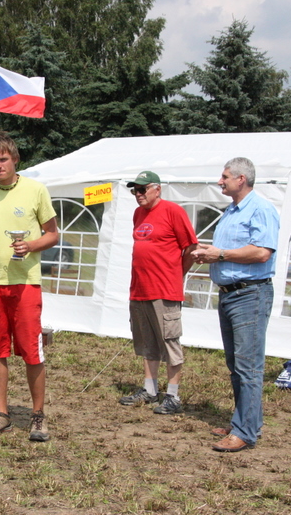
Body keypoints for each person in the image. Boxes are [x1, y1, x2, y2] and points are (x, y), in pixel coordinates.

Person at [0, 130, 58, 442]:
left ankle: (38, 416)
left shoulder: (36, 190)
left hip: (25, 283)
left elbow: (53, 234)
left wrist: (30, 245)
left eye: (3, 159)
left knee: (32, 350)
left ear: (15, 159)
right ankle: (1, 414)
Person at [191, 157, 279, 452]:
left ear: (241, 179)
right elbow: (229, 251)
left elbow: (262, 252)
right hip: (231, 294)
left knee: (248, 366)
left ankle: (244, 432)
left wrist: (220, 255)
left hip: (250, 294)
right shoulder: (231, 211)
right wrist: (209, 253)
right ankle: (247, 421)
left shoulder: (261, 209)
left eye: (225, 176)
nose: (220, 181)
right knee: (237, 364)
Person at [118, 171, 198, 414]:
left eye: (142, 189)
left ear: (157, 189)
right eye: (135, 190)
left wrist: (176, 274)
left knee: (169, 341)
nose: (138, 194)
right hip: (140, 289)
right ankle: (150, 390)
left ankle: (173, 395)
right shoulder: (138, 214)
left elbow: (191, 247)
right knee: (147, 342)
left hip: (165, 290)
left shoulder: (173, 211)